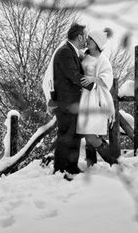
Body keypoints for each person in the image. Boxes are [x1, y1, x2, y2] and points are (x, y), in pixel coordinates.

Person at [50, 22, 91, 176]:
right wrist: (93, 86)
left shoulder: (71, 51)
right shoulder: (65, 52)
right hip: (66, 103)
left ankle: (72, 166)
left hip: (73, 103)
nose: (86, 40)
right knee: (66, 136)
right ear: (79, 37)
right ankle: (60, 169)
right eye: (85, 36)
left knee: (75, 135)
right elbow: (74, 75)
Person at [77, 28, 119, 166]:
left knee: (91, 135)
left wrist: (93, 80)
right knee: (88, 134)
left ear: (97, 43)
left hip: (96, 100)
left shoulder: (103, 60)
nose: (87, 40)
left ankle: (113, 161)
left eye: (91, 39)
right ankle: (91, 164)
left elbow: (107, 80)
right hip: (83, 100)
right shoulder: (83, 56)